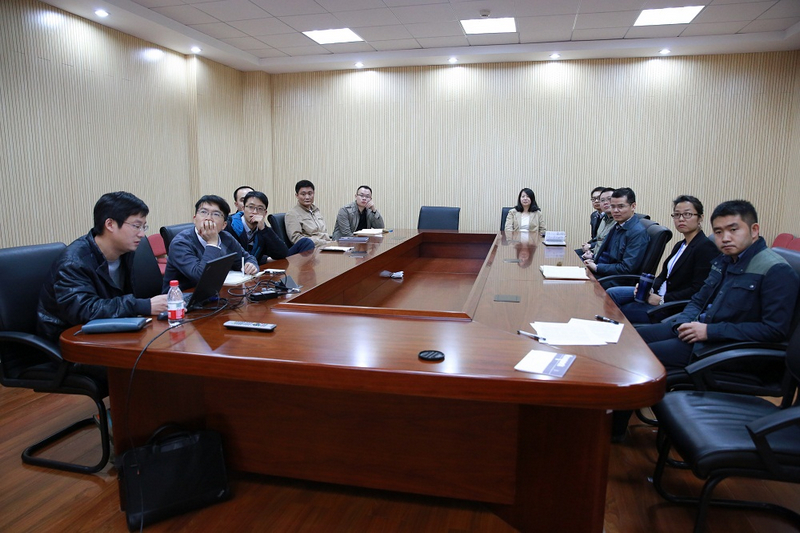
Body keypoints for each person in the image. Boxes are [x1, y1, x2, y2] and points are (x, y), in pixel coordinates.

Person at [636, 200, 799, 370]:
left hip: (722, 348)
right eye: (719, 232)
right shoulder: (724, 260)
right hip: (697, 328)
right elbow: (699, 300)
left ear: (754, 230)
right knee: (632, 338)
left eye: (733, 230)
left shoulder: (776, 270)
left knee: (638, 354)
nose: (725, 238)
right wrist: (682, 323)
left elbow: (773, 330)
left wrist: (709, 331)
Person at [37, 191, 168, 345]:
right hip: (73, 341)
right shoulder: (73, 262)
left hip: (112, 331)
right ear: (110, 224)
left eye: (143, 227)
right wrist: (142, 306)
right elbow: (85, 310)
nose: (142, 234)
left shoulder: (126, 253)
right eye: (136, 226)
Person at [606, 195, 720, 323]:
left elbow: (698, 289)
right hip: (657, 294)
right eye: (677, 215)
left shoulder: (705, 248)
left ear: (700, 217)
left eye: (687, 214)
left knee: (618, 311)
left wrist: (662, 299)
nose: (681, 219)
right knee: (611, 294)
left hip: (671, 305)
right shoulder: (680, 245)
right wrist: (648, 288)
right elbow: (663, 276)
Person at [162, 195, 259, 292]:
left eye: (216, 214)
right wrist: (212, 243)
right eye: (203, 212)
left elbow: (248, 258)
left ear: (224, 225)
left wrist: (251, 265)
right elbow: (201, 277)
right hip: (182, 297)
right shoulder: (180, 243)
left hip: (217, 292)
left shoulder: (226, 237)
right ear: (195, 219)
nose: (208, 218)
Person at [227, 190, 314, 262]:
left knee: (306, 242)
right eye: (251, 207)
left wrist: (264, 229)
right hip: (238, 271)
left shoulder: (262, 229)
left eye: (260, 208)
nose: (255, 212)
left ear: (265, 213)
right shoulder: (230, 225)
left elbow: (282, 254)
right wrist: (264, 260)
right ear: (243, 209)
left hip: (256, 269)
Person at [583, 188, 649, 277]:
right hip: (602, 270)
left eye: (621, 206)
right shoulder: (618, 225)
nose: (615, 211)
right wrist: (593, 260)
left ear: (633, 206)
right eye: (613, 206)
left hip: (613, 278)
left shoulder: (637, 232)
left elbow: (627, 268)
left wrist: (597, 267)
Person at [285, 180, 333, 247]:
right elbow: (296, 239)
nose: (307, 197)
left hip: (326, 245)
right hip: (311, 249)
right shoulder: (292, 214)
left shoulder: (316, 210)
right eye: (303, 194)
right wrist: (322, 243)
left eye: (310, 194)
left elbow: (323, 233)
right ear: (297, 195)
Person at [579, 188, 615, 257]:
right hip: (596, 250)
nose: (596, 201)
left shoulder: (615, 218)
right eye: (593, 199)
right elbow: (596, 237)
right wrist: (587, 244)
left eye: (598, 198)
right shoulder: (596, 216)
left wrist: (591, 247)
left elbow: (607, 241)